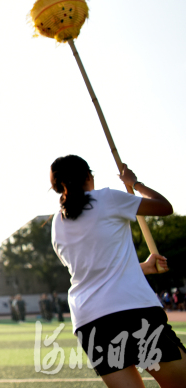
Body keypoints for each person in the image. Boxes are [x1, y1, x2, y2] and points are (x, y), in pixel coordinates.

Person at [50, 154, 186, 387]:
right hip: (132, 310)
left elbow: (96, 272)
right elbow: (165, 207)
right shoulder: (106, 198)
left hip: (90, 320)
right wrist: (134, 183)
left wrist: (142, 267)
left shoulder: (56, 223)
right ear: (88, 176)